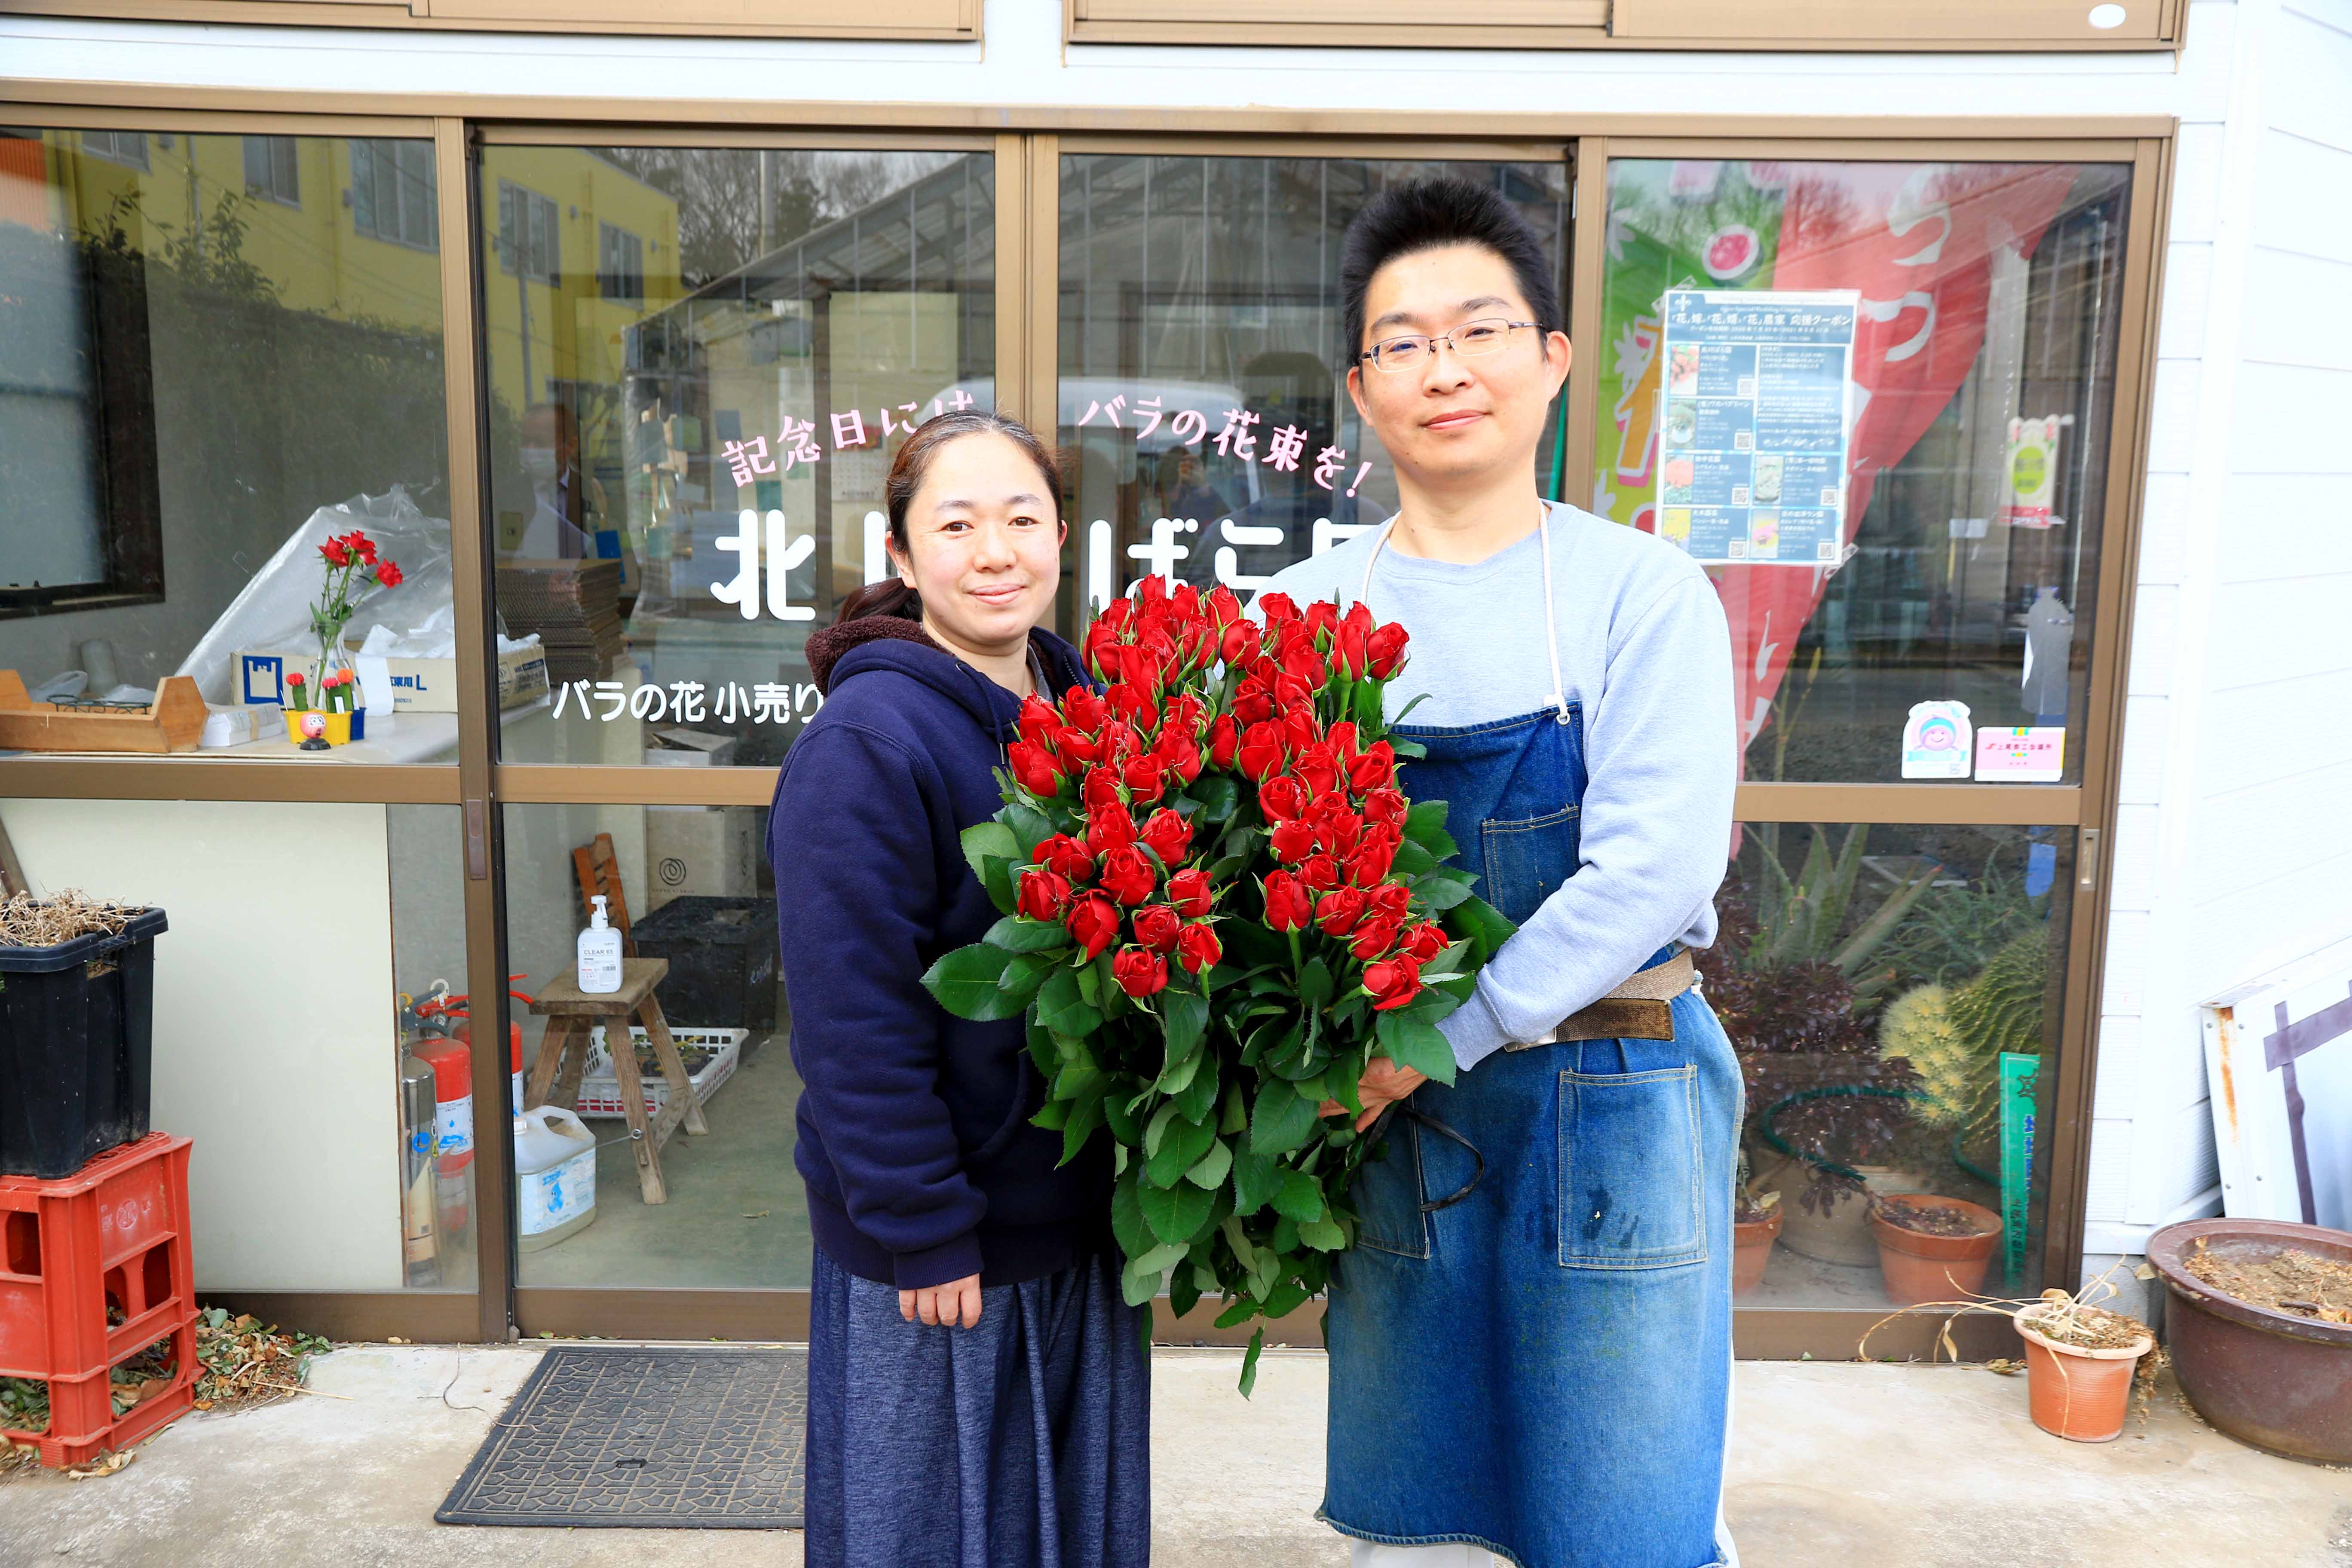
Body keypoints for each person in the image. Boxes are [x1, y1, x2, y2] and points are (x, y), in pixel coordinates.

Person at [1255, 178, 1743, 1568]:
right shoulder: (1298, 615)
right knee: (1424, 1506)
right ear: (1360, 389)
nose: (1444, 368)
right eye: (1401, 343)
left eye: (1479, 329)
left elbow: (1648, 873)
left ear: (1551, 361)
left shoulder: (1641, 593)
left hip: (1613, 1097)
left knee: (1622, 1499)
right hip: (1403, 1130)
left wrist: (1424, 1042)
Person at [771, 410, 1148, 1568]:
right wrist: (925, 1230)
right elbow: (853, 1020)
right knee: (939, 1535)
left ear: (1064, 535)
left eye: (1022, 518)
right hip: (950, 1251)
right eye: (958, 522)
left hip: (1071, 1224)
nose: (996, 551)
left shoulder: (1075, 709)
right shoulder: (870, 741)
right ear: (899, 554)